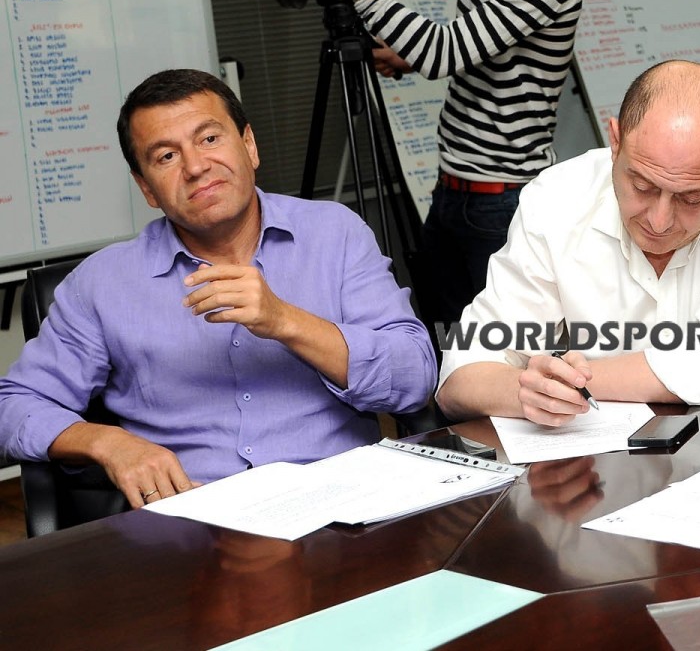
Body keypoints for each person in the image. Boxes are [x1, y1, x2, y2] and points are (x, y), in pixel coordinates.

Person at [0, 70, 437, 507]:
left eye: (209, 139)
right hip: (193, 519)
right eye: (166, 156)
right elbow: (13, 406)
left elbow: (414, 377)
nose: (195, 167)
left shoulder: (335, 234)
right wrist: (108, 443)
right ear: (146, 187)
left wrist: (285, 320)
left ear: (249, 145)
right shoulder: (101, 283)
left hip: (344, 505)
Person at [436, 59, 700, 425]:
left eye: (691, 198)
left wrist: (575, 382)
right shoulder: (558, 196)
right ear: (615, 142)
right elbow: (464, 371)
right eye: (641, 186)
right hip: (623, 468)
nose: (659, 220)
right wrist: (529, 392)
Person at [308, 0, 583, 330]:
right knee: (444, 341)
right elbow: (480, 48)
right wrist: (408, 56)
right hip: (453, 188)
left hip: (503, 206)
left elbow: (442, 52)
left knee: (508, 357)